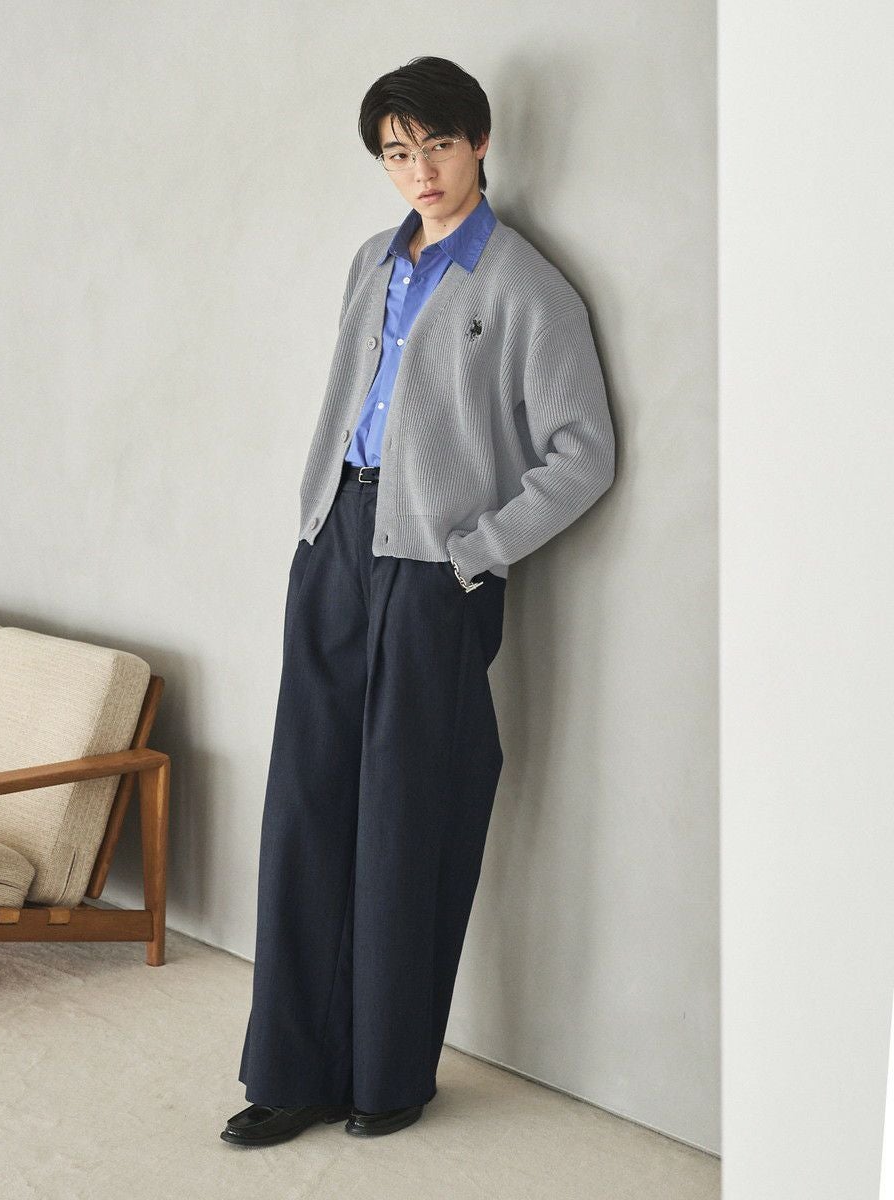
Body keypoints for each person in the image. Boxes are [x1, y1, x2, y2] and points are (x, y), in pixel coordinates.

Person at [222, 55, 616, 1148]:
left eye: (437, 145)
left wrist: (473, 554)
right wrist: (316, 520)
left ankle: (389, 1075)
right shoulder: (371, 261)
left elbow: (584, 451)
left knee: (409, 821)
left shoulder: (525, 285)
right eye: (398, 153)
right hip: (335, 544)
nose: (420, 171)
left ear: (479, 142)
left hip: (432, 570)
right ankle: (290, 1073)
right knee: (305, 809)